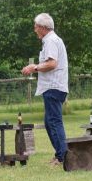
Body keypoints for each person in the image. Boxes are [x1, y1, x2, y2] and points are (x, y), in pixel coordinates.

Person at [21, 13, 68, 167]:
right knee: (49, 122)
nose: (35, 30)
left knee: (54, 122)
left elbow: (52, 64)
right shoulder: (53, 40)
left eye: (35, 27)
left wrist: (33, 67)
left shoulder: (50, 41)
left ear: (42, 27)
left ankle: (63, 157)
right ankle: (60, 154)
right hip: (54, 86)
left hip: (53, 86)